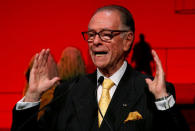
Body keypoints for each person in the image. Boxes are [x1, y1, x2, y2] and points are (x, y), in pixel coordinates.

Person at [11, 5, 189, 131]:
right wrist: (32, 96)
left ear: (128, 40)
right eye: (91, 35)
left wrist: (163, 100)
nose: (95, 41)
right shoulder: (67, 92)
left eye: (105, 35)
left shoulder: (153, 92)